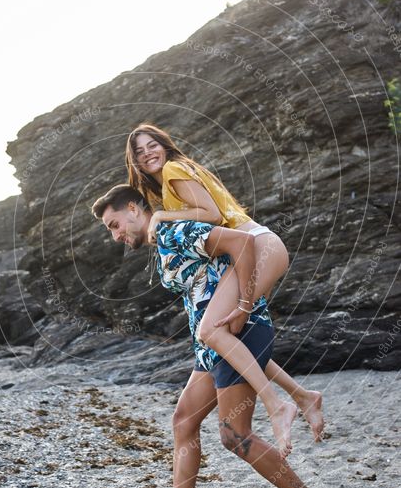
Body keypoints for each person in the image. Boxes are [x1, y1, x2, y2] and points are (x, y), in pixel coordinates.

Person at [91, 184, 332, 488]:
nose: (115, 236)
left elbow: (240, 242)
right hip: (210, 348)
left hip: (237, 331)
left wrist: (246, 306)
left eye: (114, 225)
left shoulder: (174, 230)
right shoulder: (163, 243)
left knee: (235, 436)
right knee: (184, 421)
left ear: (132, 208)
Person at [125, 123, 324, 447]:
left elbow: (213, 215)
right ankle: (303, 397)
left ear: (164, 144)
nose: (147, 154)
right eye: (139, 152)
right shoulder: (173, 178)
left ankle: (277, 406)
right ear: (134, 161)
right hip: (258, 247)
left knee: (210, 332)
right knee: (228, 334)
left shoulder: (175, 169)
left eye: (151, 145)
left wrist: (161, 217)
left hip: (258, 246)